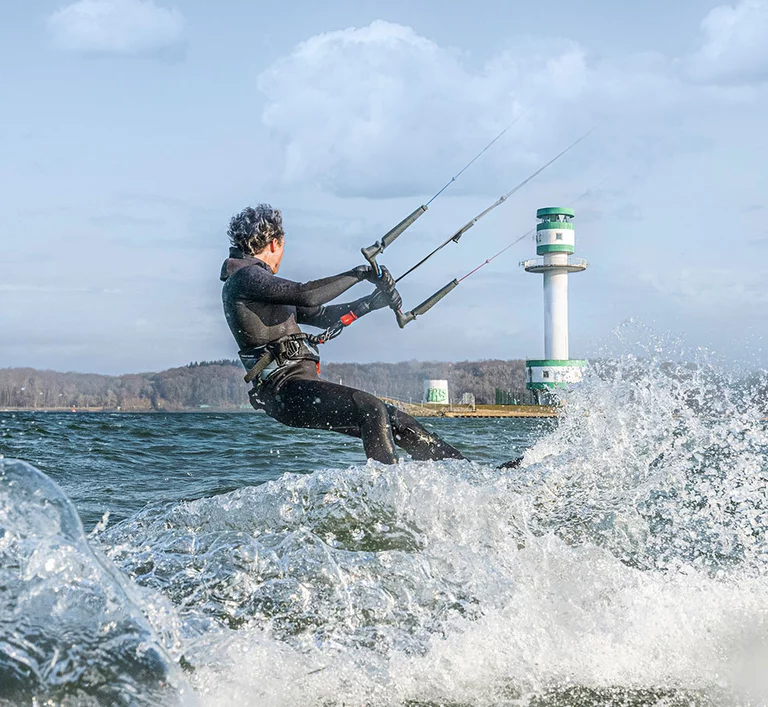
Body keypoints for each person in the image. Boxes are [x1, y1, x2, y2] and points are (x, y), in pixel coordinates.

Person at [220, 203, 467, 464]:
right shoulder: (244, 278)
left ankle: (466, 474)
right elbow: (307, 294)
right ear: (274, 243)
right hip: (285, 391)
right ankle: (388, 492)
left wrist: (371, 303)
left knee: (395, 420)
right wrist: (359, 274)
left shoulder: (260, 285)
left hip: (299, 388)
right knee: (371, 408)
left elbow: (319, 314)